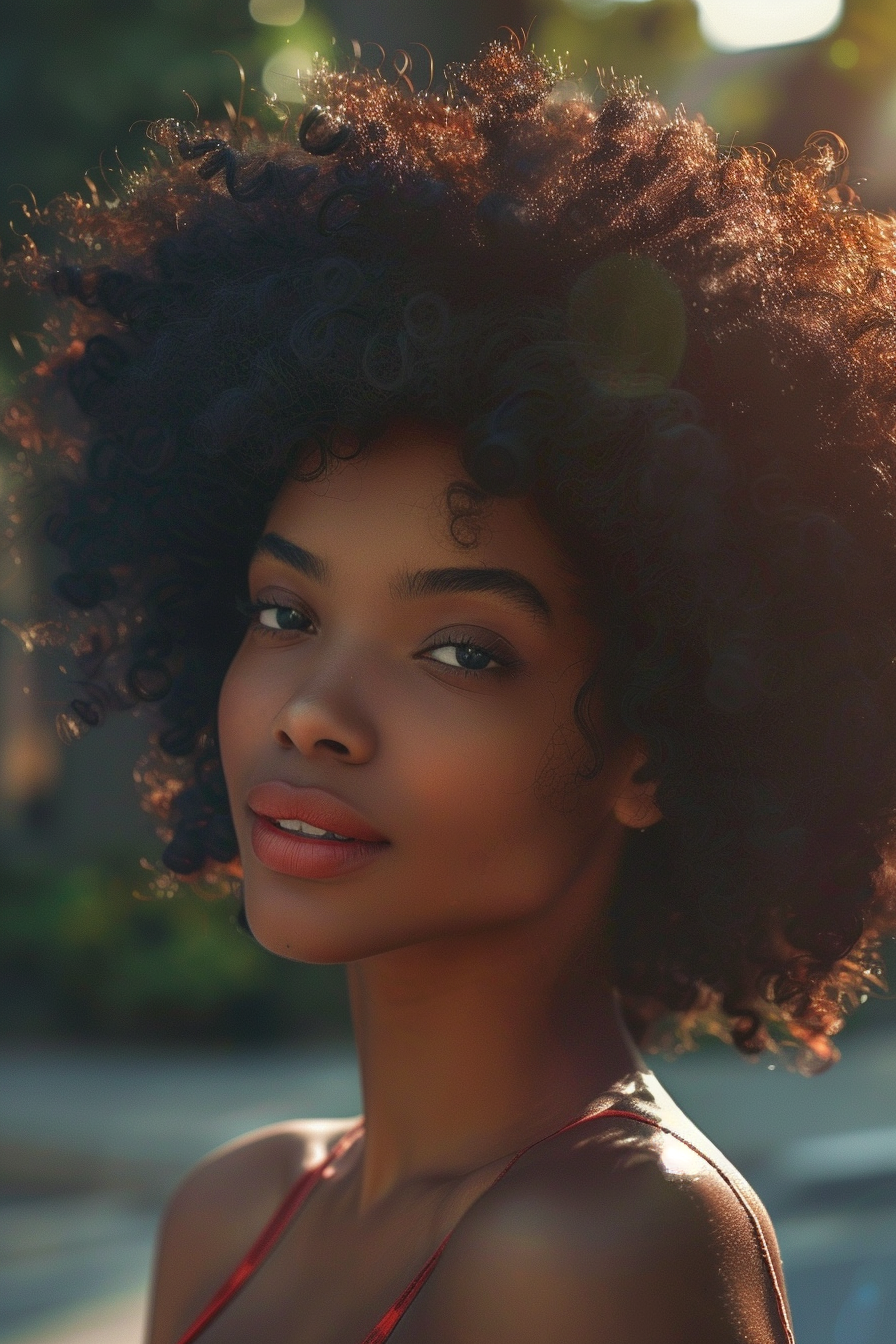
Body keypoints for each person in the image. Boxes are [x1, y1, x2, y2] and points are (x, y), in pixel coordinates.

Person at [7, 37, 896, 1343]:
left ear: (655, 742)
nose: (313, 708)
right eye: (284, 611)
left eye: (462, 650)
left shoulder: (609, 1244)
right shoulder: (238, 1211)